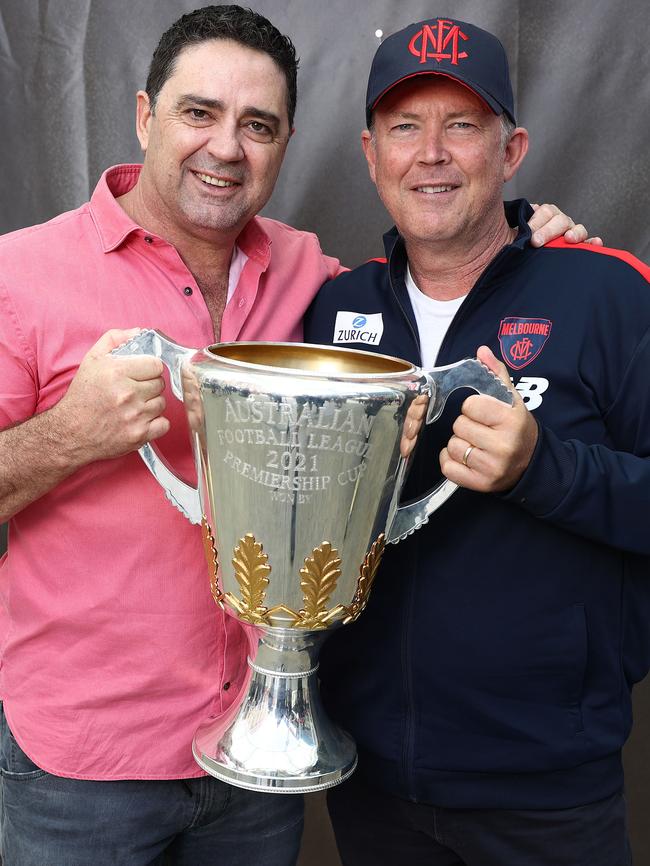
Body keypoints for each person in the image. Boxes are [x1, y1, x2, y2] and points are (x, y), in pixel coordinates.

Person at [0, 5, 598, 864]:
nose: (226, 148)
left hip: (267, 759)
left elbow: (453, 263)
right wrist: (69, 434)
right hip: (83, 770)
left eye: (258, 126)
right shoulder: (21, 274)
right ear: (144, 116)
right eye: (198, 113)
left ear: (284, 145)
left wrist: (535, 238)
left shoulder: (314, 284)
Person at [305, 16, 650, 866]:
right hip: (369, 776)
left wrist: (544, 466)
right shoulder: (331, 313)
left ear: (512, 148)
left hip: (546, 788)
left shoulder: (609, 293)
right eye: (404, 127)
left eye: (461, 125)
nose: (431, 153)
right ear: (369, 151)